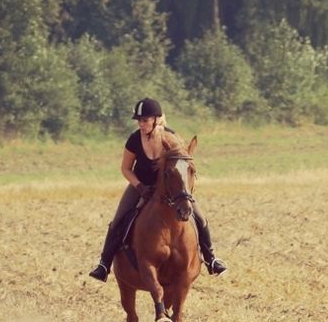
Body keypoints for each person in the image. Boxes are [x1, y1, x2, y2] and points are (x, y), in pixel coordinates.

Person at [88, 98, 227, 282]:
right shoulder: (134, 140)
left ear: (156, 119)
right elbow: (125, 169)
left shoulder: (171, 138)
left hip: (170, 189)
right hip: (140, 186)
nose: (141, 124)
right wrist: (140, 187)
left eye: (145, 120)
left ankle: (211, 259)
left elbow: (182, 163)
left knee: (199, 218)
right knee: (118, 220)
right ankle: (104, 265)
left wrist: (183, 188)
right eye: (139, 120)